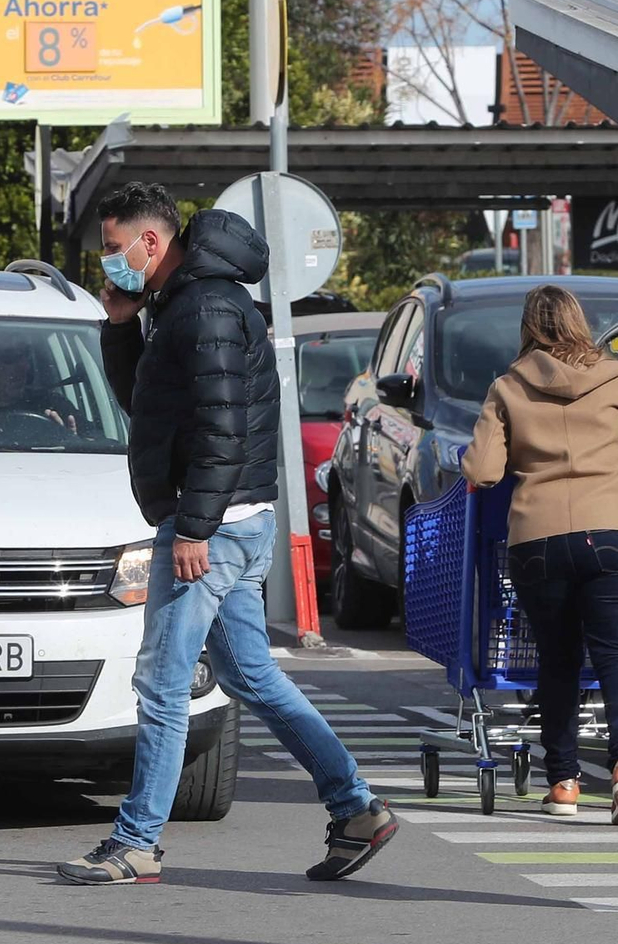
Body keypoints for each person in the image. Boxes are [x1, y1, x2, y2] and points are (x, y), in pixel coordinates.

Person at [57, 181, 399, 886]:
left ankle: (137, 841)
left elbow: (221, 428)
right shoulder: (185, 301)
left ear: (151, 243)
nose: (107, 265)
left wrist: (194, 524)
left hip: (210, 526)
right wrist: (120, 325)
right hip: (232, 521)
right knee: (252, 674)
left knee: (160, 679)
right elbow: (148, 407)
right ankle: (357, 806)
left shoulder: (207, 306)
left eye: (115, 251)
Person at [460, 285, 618, 826]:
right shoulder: (617, 378)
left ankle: (563, 782)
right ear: (579, 322)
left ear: (528, 327)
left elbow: (482, 471)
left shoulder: (507, 388)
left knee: (557, 661)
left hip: (539, 540)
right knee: (617, 656)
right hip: (612, 534)